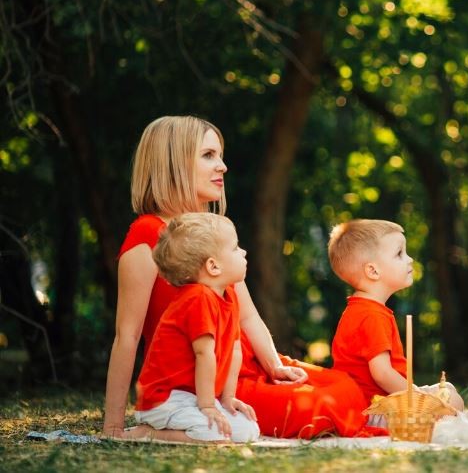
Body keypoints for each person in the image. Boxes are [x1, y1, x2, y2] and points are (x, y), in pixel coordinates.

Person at [102, 116, 379, 440]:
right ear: (173, 163)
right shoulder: (147, 235)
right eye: (208, 155)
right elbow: (127, 337)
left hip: (245, 366)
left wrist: (274, 366)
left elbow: (247, 316)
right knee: (318, 407)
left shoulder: (215, 232)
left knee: (344, 386)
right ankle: (155, 430)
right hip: (199, 382)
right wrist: (113, 427)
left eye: (220, 155)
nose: (222, 167)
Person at [134, 213, 259, 443]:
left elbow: (235, 351)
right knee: (214, 434)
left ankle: (194, 423)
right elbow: (204, 354)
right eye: (235, 248)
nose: (243, 252)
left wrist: (228, 399)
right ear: (213, 266)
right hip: (166, 399)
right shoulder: (198, 298)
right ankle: (149, 432)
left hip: (193, 398)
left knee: (249, 431)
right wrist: (208, 406)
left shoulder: (229, 295)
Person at [328, 219, 465, 411]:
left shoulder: (363, 309)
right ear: (373, 271)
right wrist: (417, 397)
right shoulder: (371, 315)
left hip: (381, 400)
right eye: (399, 254)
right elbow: (382, 374)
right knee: (452, 402)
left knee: (448, 389)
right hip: (375, 407)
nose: (409, 259)